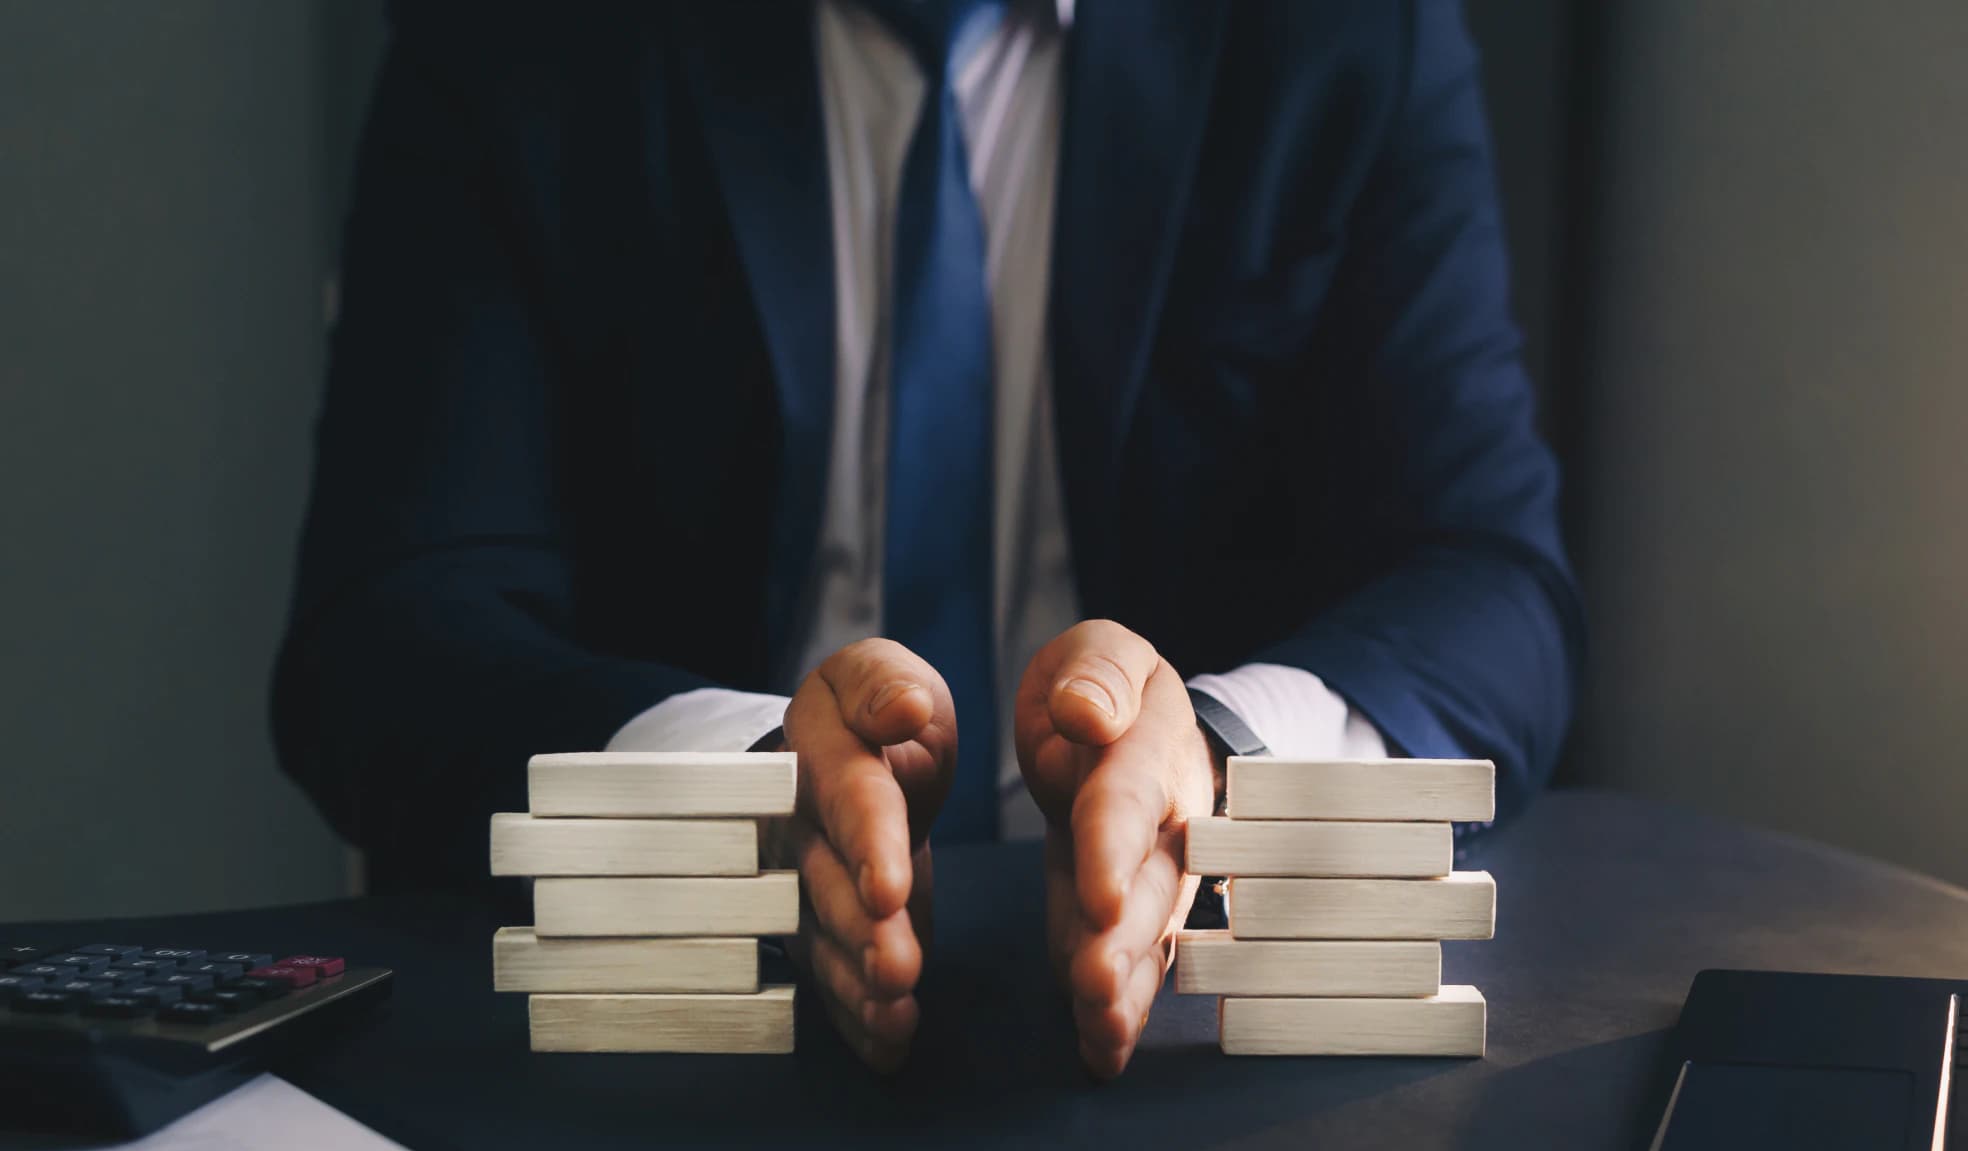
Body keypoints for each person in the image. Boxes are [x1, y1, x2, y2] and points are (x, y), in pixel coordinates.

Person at [272, 0, 1584, 1080]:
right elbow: (388, 626)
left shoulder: (1346, 34)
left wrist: (1220, 769)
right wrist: (747, 785)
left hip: (1176, 1046)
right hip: (689, 1047)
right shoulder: (516, 40)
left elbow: (1491, 584)